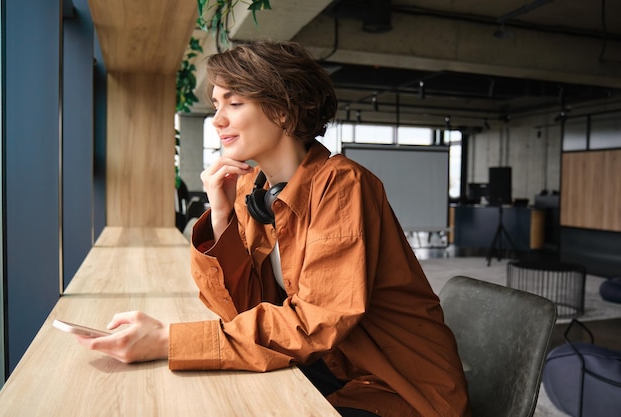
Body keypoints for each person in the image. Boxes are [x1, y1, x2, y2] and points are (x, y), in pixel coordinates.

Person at [77, 40, 471, 417]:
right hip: (331, 368)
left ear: (283, 111)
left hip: (396, 389)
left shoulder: (342, 185)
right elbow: (239, 311)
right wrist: (221, 215)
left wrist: (169, 340)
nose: (217, 119)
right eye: (217, 104)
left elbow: (316, 322)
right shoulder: (254, 189)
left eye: (234, 102)